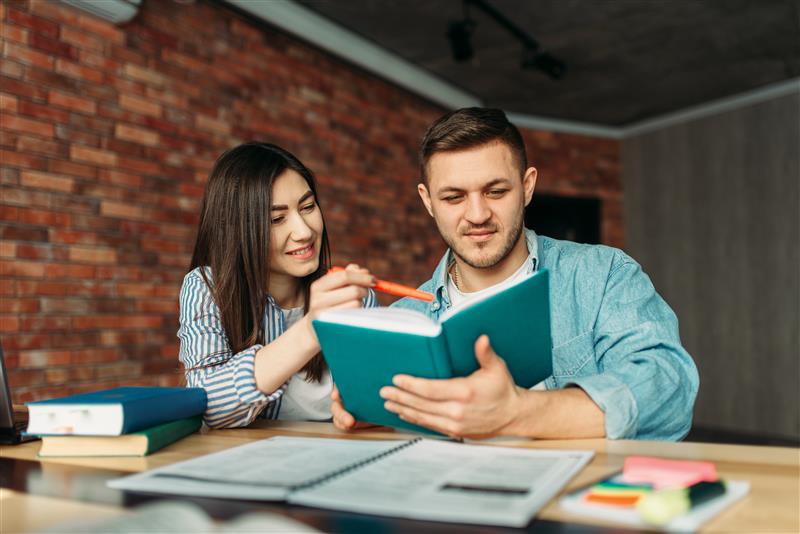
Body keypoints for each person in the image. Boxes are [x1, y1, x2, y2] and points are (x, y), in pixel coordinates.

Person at [332, 108, 698, 440]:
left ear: (527, 186)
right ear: (428, 201)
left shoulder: (602, 275)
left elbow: (668, 387)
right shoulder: (406, 322)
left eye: (495, 191)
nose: (477, 214)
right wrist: (379, 414)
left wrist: (515, 413)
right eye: (454, 198)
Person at [179, 142, 376, 428]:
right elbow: (207, 405)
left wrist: (369, 412)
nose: (303, 231)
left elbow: (371, 401)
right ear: (238, 229)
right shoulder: (208, 288)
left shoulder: (349, 294)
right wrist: (310, 330)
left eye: (308, 207)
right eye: (276, 219)